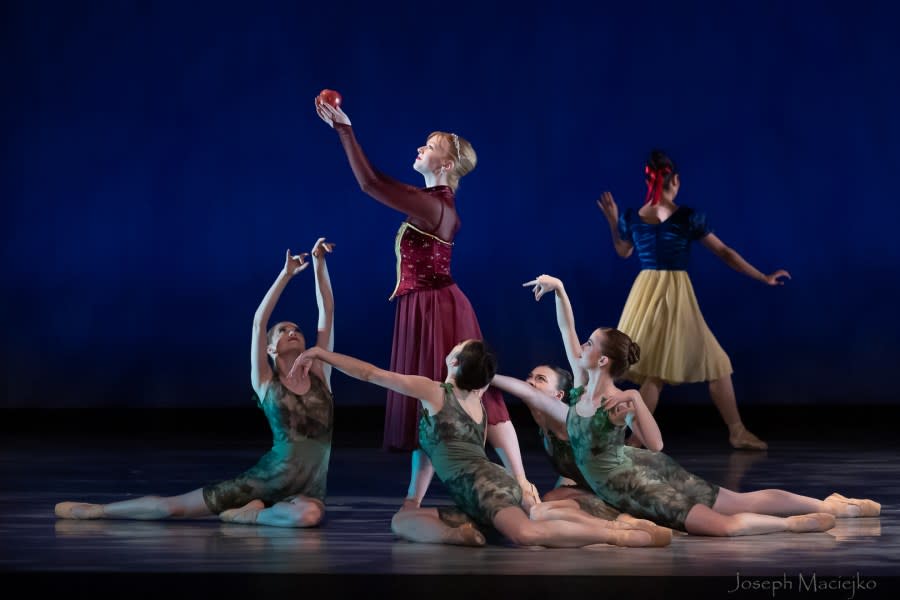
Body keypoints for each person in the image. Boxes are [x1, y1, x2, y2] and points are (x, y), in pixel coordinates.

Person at [515, 274, 880, 536]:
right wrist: (559, 290)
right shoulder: (578, 395)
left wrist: (561, 290)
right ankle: (827, 507)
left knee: (735, 504)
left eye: (590, 343)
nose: (582, 346)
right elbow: (567, 332)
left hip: (639, 471)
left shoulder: (598, 396)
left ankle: (826, 506)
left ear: (602, 363)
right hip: (627, 472)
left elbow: (650, 444)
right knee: (734, 505)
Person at [315, 98, 538, 509]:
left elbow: (371, 184)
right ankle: (414, 499)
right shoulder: (434, 202)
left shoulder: (434, 204)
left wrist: (345, 129)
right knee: (431, 404)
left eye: (430, 146)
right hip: (425, 306)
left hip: (439, 308)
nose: (421, 148)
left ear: (446, 165)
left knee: (477, 393)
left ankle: (522, 482)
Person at [55, 239, 338, 528]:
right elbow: (258, 322)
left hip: (306, 492)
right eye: (283, 330)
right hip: (262, 481)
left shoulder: (319, 375)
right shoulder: (266, 382)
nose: (293, 332)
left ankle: (254, 514)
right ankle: (98, 510)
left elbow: (326, 313)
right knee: (172, 508)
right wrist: (285, 275)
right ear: (270, 349)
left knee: (309, 516)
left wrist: (319, 264)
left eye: (297, 329)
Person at [291, 339, 671, 548]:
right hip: (488, 484)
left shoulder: (436, 392)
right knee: (404, 519)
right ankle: (465, 534)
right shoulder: (476, 398)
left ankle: (619, 535)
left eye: (457, 349)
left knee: (527, 534)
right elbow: (429, 447)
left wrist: (322, 354)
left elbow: (371, 373)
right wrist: (413, 496)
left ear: (455, 364)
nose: (453, 348)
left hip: (481, 485)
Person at [596, 150, 788, 450]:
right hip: (673, 292)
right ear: (675, 180)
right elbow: (724, 252)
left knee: (659, 370)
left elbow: (623, 252)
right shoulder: (685, 217)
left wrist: (612, 220)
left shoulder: (634, 216)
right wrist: (762, 276)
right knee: (707, 364)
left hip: (645, 293)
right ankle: (730, 431)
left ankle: (637, 439)